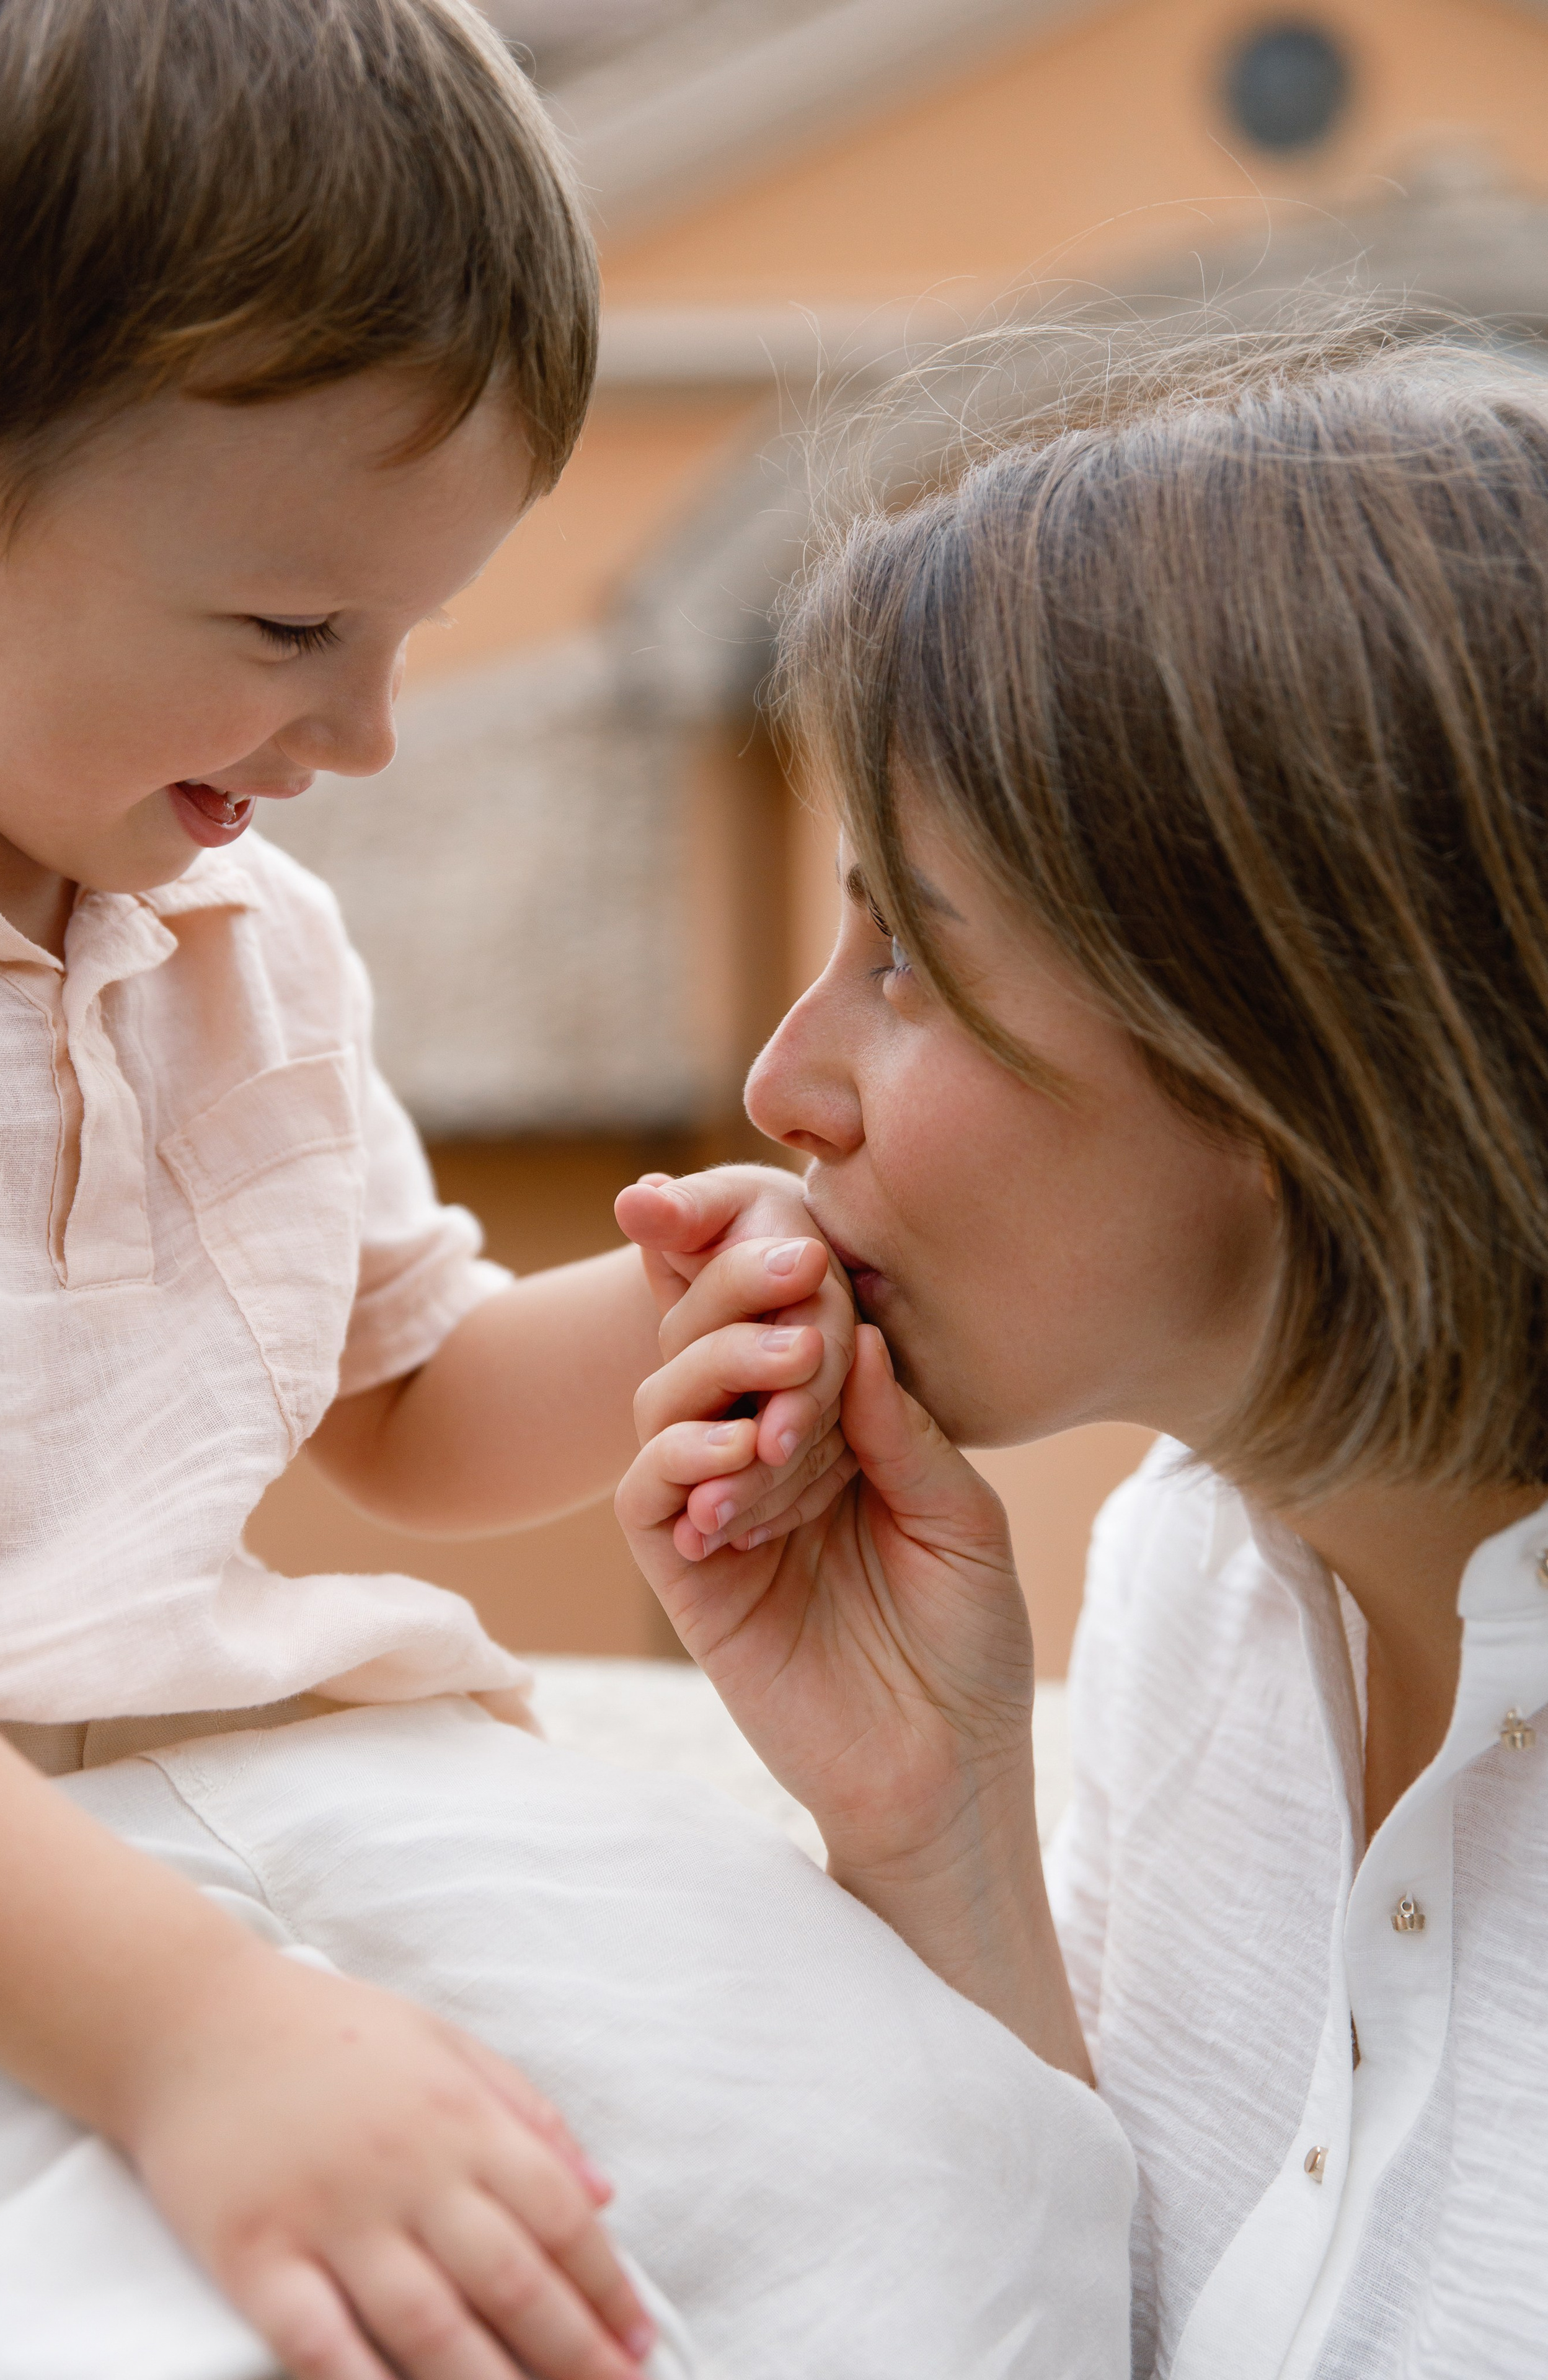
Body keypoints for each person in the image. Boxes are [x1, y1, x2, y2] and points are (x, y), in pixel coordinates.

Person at [0, 6, 1136, 2378]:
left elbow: (397, 1403)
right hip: (44, 1924)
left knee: (958, 2175)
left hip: (272, 1801)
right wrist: (194, 2043)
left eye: (411, 635)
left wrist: (706, 1291)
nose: (366, 733)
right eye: (294, 631)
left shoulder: (245, 947)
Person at [613, 314, 1548, 2379]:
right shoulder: (1193, 1577)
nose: (786, 1085)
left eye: (911, 963)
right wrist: (929, 1818)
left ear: (1302, 1032)